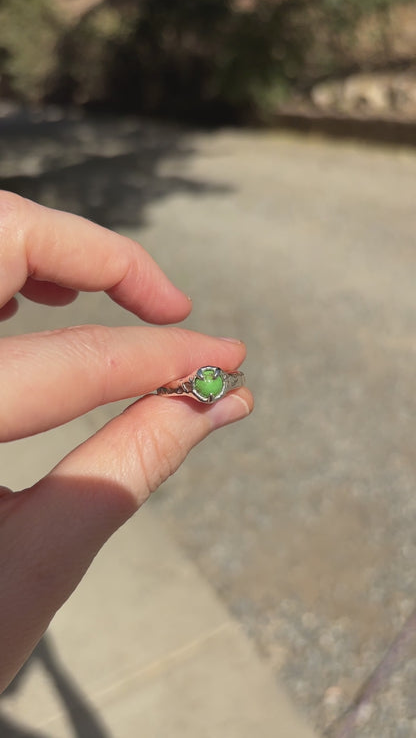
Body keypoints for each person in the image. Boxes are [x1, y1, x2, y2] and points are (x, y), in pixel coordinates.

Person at [0, 192, 253, 693]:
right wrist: (186, 390)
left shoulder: (208, 382)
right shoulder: (201, 385)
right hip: (196, 385)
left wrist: (195, 388)